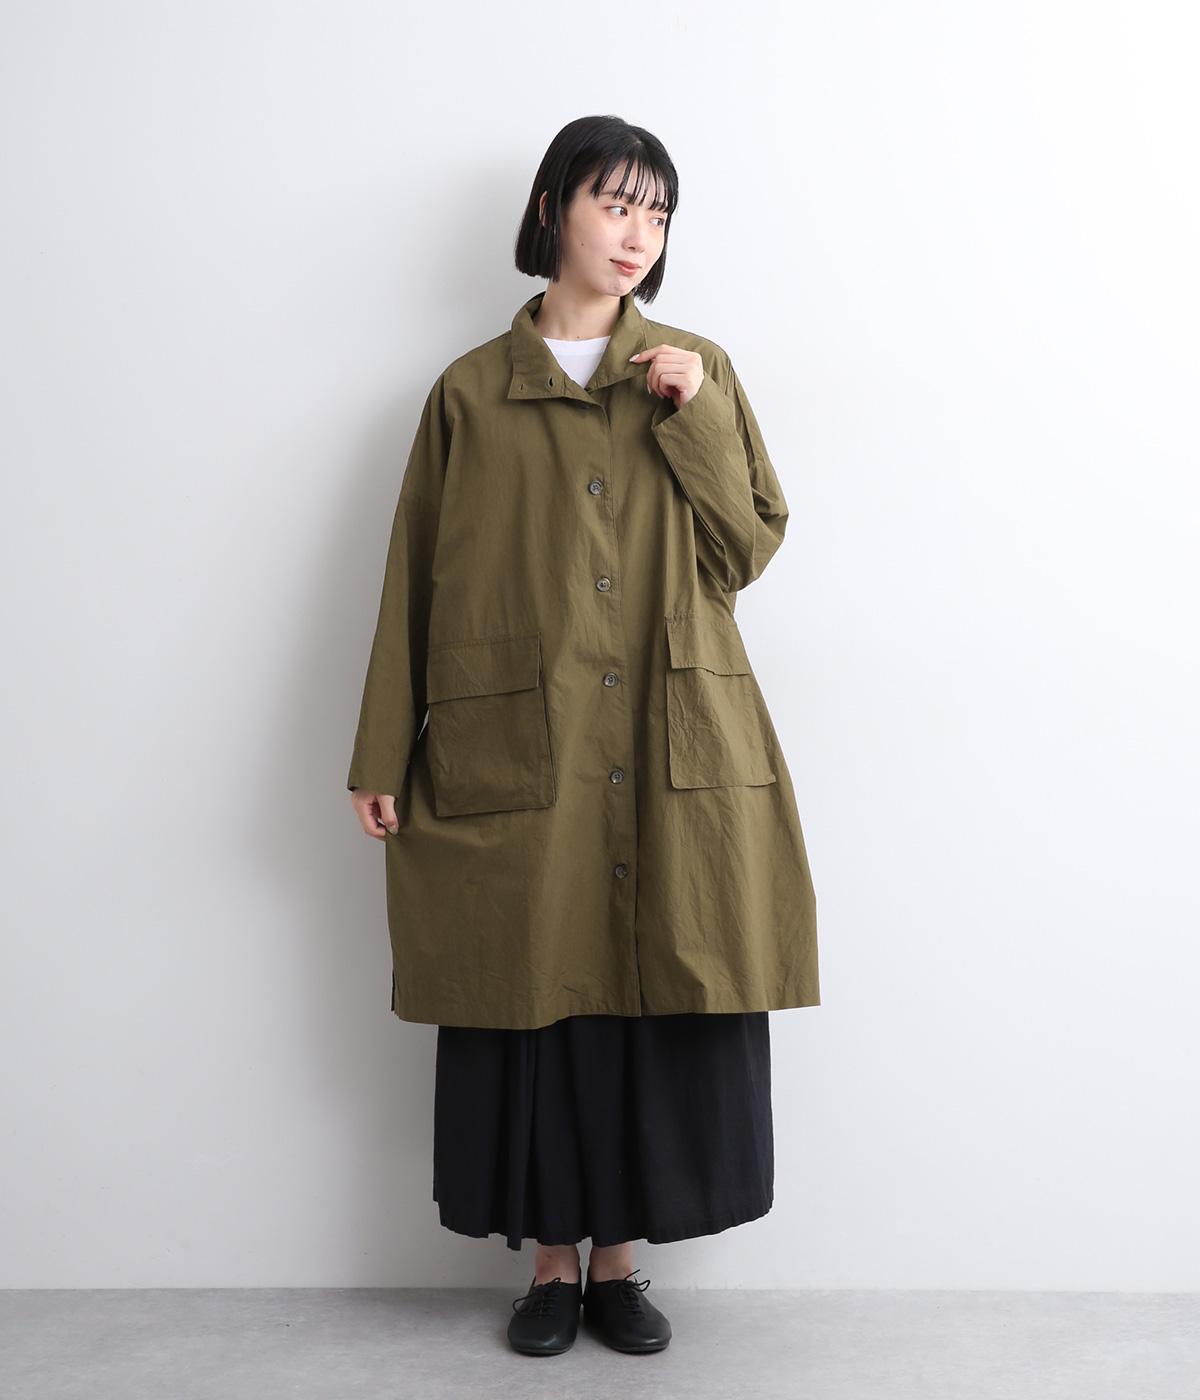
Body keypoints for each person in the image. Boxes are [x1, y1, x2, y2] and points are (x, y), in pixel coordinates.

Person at [347, 114, 819, 1357]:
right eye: (617, 203)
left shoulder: (697, 369)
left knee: (660, 988)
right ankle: (550, 1265)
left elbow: (746, 549)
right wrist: (380, 752)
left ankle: (620, 1263)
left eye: (658, 213)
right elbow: (411, 580)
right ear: (556, 206)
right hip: (524, 748)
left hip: (672, 734)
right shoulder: (469, 392)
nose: (637, 232)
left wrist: (694, 415)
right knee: (530, 989)